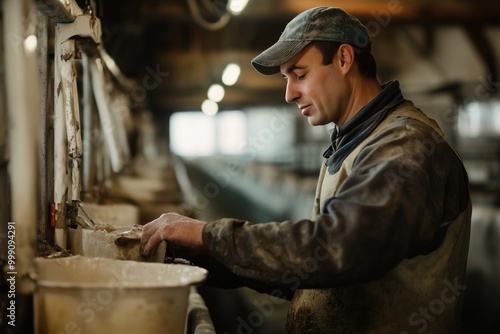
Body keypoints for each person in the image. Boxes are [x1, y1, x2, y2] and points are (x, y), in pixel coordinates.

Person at [140, 6, 471, 333]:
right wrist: (199, 258)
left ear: (344, 59)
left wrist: (208, 235)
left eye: (300, 75)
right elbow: (314, 273)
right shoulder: (352, 144)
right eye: (287, 79)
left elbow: (340, 249)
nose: (289, 94)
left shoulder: (407, 145)